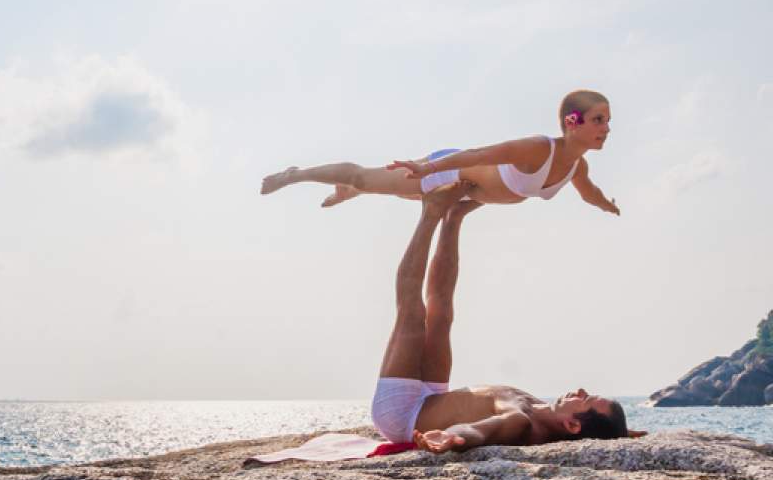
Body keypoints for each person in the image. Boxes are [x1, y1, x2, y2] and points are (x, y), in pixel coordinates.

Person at [372, 182, 640, 453]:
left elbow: (481, 430)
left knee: (412, 314)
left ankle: (430, 213)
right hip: (433, 397)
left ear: (572, 425)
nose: (581, 390)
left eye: (586, 399)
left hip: (403, 413)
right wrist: (620, 433)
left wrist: (451, 437)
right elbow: (598, 432)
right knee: (441, 313)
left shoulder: (520, 420)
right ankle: (453, 216)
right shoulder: (542, 410)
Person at [261, 90, 619, 215]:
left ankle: (353, 191)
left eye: (608, 120)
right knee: (363, 177)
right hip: (447, 172)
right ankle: (295, 175)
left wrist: (608, 206)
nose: (605, 128)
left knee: (375, 187)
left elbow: (591, 194)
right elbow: (478, 155)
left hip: (459, 192)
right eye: (598, 119)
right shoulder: (538, 148)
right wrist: (426, 165)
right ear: (572, 123)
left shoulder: (577, 167)